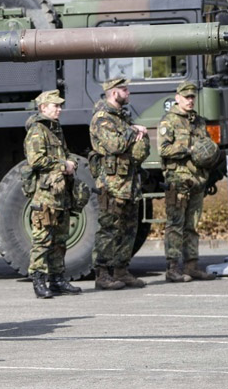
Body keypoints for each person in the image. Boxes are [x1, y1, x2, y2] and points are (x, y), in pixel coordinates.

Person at [89, 77, 150, 290]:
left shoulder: (121, 118)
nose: (128, 92)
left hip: (129, 182)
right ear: (114, 93)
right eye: (124, 89)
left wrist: (133, 131)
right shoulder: (102, 118)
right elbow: (114, 145)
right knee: (109, 228)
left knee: (129, 227)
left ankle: (122, 270)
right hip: (112, 184)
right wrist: (134, 131)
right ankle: (103, 273)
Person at [24, 89, 83, 298]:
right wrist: (62, 164)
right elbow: (36, 160)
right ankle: (39, 280)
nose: (59, 109)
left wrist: (71, 162)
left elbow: (65, 154)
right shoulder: (38, 130)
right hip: (45, 195)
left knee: (60, 238)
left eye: (59, 106)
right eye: (55, 106)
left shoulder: (55, 129)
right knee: (43, 239)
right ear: (43, 108)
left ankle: (58, 279)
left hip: (60, 194)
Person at [158, 81, 217, 282]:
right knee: (175, 224)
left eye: (192, 97)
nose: (190, 100)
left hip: (197, 180)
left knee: (192, 224)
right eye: (186, 97)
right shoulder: (169, 121)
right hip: (178, 180)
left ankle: (191, 266)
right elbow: (164, 149)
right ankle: (173, 268)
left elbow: (207, 145)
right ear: (178, 98)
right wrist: (189, 149)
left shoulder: (199, 121)